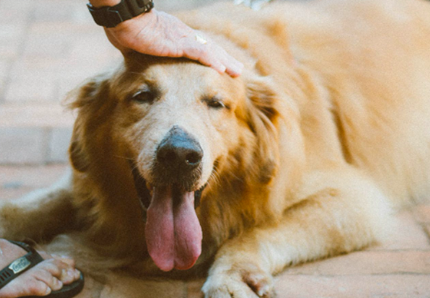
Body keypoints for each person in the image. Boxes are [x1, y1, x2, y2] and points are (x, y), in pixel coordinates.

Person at [0, 1, 243, 297]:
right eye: (142, 95)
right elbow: (89, 167)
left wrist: (254, 253)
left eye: (214, 103)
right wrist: (129, 15)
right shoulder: (101, 109)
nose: (179, 148)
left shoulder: (265, 113)